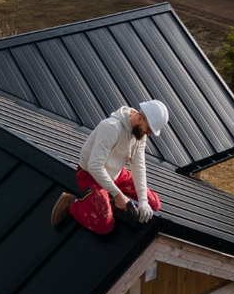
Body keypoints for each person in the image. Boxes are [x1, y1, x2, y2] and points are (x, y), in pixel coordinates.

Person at [50, 100, 169, 234]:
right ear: (140, 118)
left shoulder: (139, 133)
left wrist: (143, 201)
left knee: (154, 204)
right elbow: (94, 166)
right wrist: (118, 195)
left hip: (116, 173)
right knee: (103, 226)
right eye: (149, 129)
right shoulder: (111, 127)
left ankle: (110, 195)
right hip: (91, 175)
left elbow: (138, 166)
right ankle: (71, 203)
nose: (150, 134)